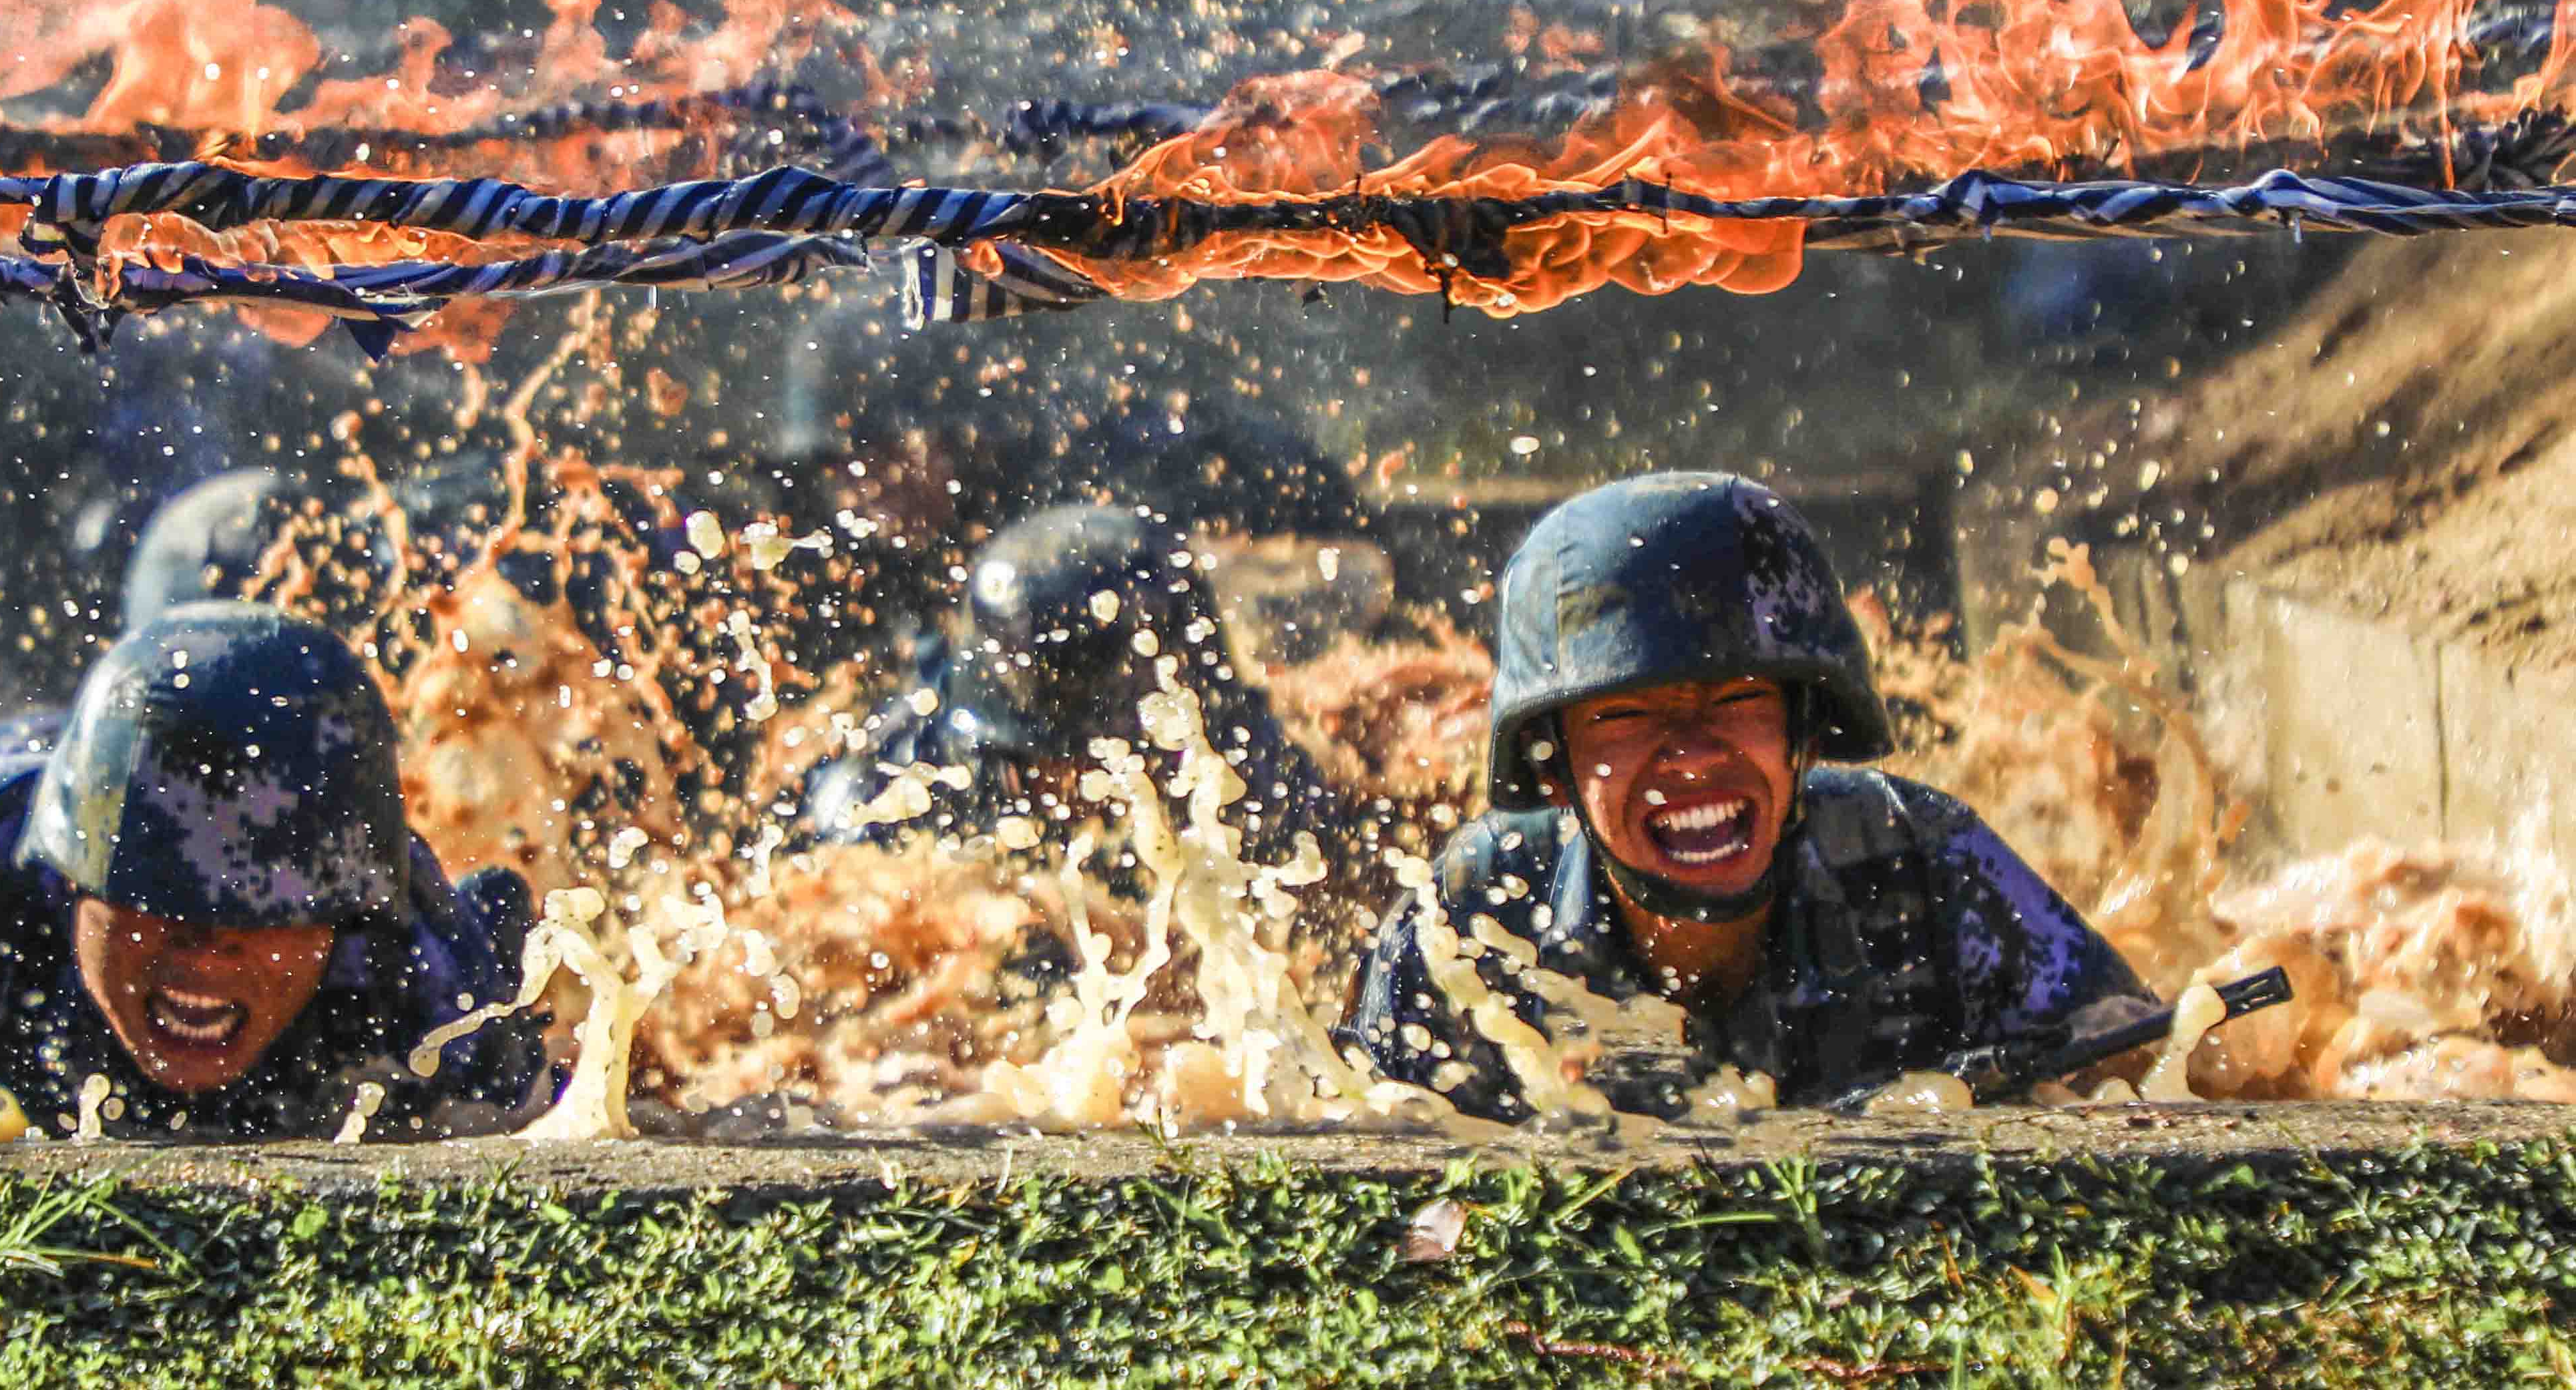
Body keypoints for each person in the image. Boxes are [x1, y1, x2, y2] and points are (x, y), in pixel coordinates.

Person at [1345, 471, 2150, 1115]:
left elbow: (2151, 1071)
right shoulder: (1476, 918)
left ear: (1804, 732)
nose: (1693, 755)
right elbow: (1362, 1140)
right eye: (1625, 714)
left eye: (1736, 700)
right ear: (1553, 767)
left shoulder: (1922, 858)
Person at [0, 602, 552, 1138]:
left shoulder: (426, 968)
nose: (205, 953)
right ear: (72, 883)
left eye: (259, 918)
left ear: (337, 915)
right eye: (161, 904)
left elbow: (556, 1119)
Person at [797, 503, 1339, 862]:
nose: (1087, 786)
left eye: (1121, 762)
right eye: (1058, 765)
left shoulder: (1252, 774)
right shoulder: (894, 795)